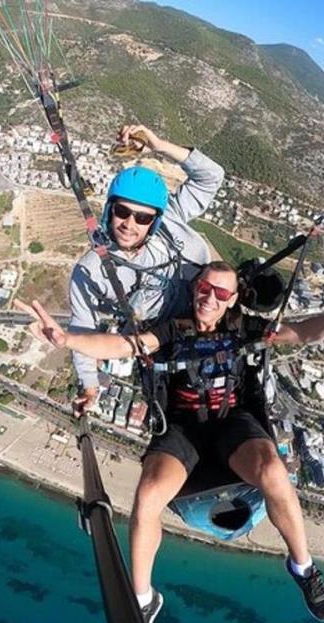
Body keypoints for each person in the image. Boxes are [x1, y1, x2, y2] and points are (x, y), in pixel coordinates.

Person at [19, 263, 324, 623]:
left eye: (221, 293)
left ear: (233, 299)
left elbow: (305, 332)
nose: (210, 298)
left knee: (274, 472)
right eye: (205, 289)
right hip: (182, 427)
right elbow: (125, 345)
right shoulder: (172, 330)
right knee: (149, 494)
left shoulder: (243, 328)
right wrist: (68, 340)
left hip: (231, 422)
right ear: (195, 289)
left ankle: (303, 567)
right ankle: (142, 599)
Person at [69, 124, 224, 417]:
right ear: (109, 210)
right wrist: (89, 386)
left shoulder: (170, 220)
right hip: (160, 340)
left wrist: (159, 145)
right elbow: (81, 329)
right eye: (122, 212)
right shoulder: (93, 269)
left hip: (210, 310)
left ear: (155, 221)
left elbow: (211, 176)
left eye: (142, 217)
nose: (130, 224)